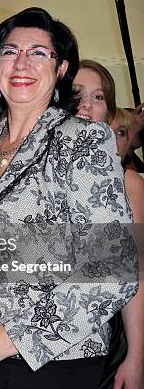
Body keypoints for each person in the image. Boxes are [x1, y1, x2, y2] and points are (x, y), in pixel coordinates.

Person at [0, 7, 138, 388]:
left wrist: (10, 338)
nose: (21, 62)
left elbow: (113, 272)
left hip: (44, 366)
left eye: (39, 52)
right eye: (10, 51)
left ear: (61, 70)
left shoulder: (83, 141)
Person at [73, 61, 144, 389]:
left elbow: (136, 270)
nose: (85, 104)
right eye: (76, 94)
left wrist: (136, 357)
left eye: (98, 97)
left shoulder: (126, 183)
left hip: (102, 339)